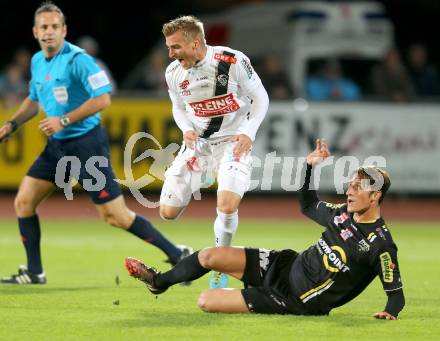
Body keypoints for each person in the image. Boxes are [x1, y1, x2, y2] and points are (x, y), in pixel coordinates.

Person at [0, 2, 191, 285]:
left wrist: (63, 120)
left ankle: (177, 254)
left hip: (85, 146)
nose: (49, 32)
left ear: (64, 30)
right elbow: (34, 99)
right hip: (57, 147)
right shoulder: (38, 61)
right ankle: (34, 272)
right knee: (24, 202)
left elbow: (103, 99)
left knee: (115, 216)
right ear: (35, 31)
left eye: (54, 26)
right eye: (44, 27)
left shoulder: (79, 60)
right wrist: (13, 124)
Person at [125, 139, 405, 319]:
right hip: (285, 264)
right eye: (351, 183)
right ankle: (157, 282)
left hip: (295, 299)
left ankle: (255, 293)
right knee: (210, 256)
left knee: (206, 301)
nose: (350, 190)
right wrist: (309, 168)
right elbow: (308, 206)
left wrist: (389, 313)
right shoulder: (341, 214)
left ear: (376, 196)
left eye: (358, 187)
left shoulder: (380, 244)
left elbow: (396, 294)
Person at [158, 15, 269, 289]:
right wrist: (186, 128)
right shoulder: (173, 73)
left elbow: (261, 98)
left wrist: (248, 132)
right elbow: (178, 108)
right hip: (199, 147)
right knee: (167, 213)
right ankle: (205, 174)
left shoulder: (232, 61)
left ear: (195, 44)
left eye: (175, 47)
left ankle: (220, 266)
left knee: (227, 206)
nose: (170, 53)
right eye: (169, 47)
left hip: (233, 143)